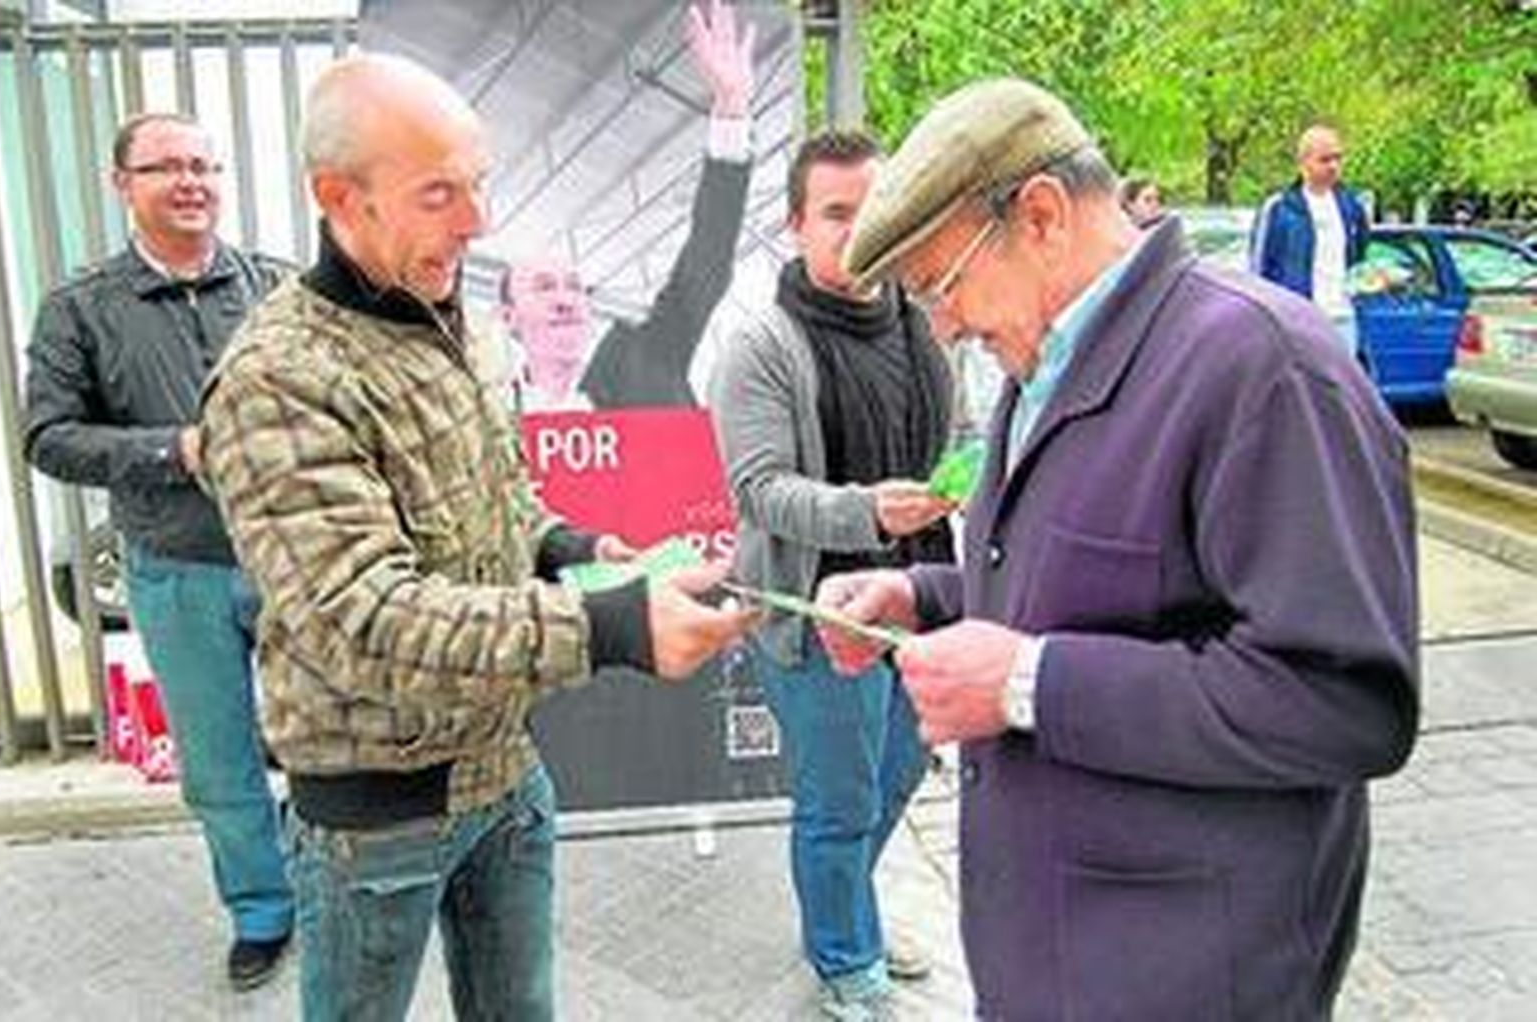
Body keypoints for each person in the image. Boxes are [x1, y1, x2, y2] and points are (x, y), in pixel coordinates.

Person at [817, 79, 1419, 1020]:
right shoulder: (1047, 359)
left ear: (1044, 216)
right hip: (1064, 955)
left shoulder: (1264, 369)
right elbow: (1109, 586)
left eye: (942, 285)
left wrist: (1025, 682)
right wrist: (927, 595)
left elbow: (1346, 704)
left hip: (1187, 972)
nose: (944, 326)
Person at [196, 51, 752, 1021]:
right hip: (378, 819)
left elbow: (497, 497)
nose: (478, 221)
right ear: (340, 196)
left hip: (505, 773)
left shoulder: (457, 322)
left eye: (480, 183)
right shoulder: (279, 378)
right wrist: (609, 625)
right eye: (439, 193)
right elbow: (361, 618)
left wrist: (577, 550)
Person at [22, 112, 295, 992]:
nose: (191, 181)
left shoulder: (276, 288)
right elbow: (49, 436)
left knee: (326, 738)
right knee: (219, 762)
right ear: (122, 184)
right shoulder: (81, 306)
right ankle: (263, 911)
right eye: (166, 167)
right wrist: (170, 450)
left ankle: (329, 886)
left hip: (293, 559)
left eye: (204, 165)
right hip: (176, 568)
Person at [707, 129, 957, 1019]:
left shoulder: (925, 322)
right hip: (819, 618)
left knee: (896, 776)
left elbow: (954, 440)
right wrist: (866, 513)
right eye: (836, 213)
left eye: (872, 210)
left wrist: (960, 484)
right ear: (793, 225)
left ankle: (845, 906)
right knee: (841, 797)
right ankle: (845, 955)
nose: (858, 232)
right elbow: (760, 491)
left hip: (920, 598)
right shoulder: (760, 344)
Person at [499, 0, 755, 412]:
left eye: (575, 287)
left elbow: (708, 256)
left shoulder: (650, 355)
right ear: (509, 317)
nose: (565, 299)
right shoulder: (483, 414)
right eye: (544, 287)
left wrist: (731, 108)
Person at [1251, 123, 1370, 356]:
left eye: (1338, 158)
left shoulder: (1351, 206)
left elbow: (1359, 257)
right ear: (1303, 162)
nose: (1334, 166)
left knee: (1344, 390)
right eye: (1325, 160)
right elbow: (1259, 270)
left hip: (1343, 319)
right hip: (1299, 321)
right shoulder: (1279, 208)